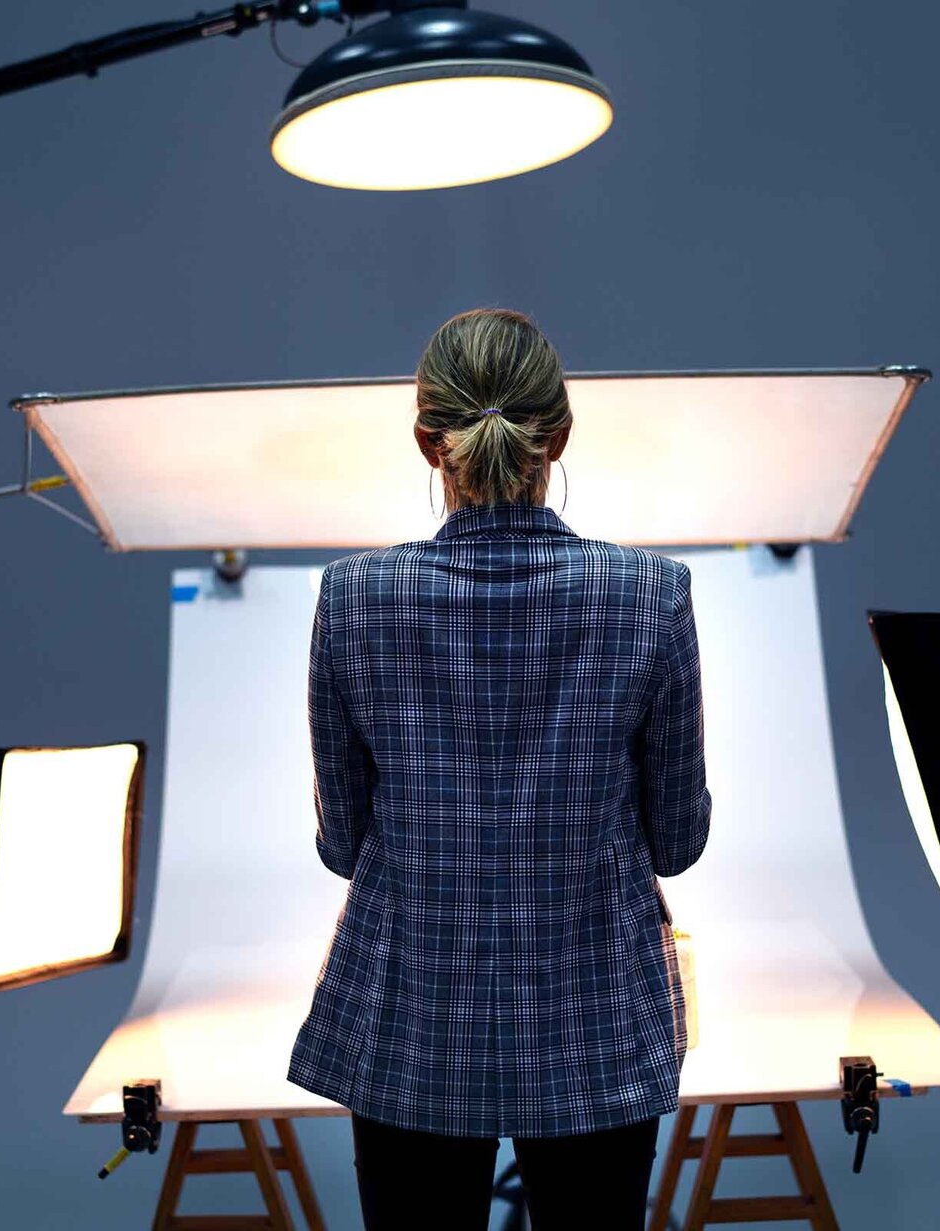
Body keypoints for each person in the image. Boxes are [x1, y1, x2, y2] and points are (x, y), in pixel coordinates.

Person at [286, 308, 712, 1230]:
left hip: (411, 1023)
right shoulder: (652, 596)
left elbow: (342, 842)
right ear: (558, 435)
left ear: (426, 442)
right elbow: (677, 843)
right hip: (596, 1023)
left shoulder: (352, 597)